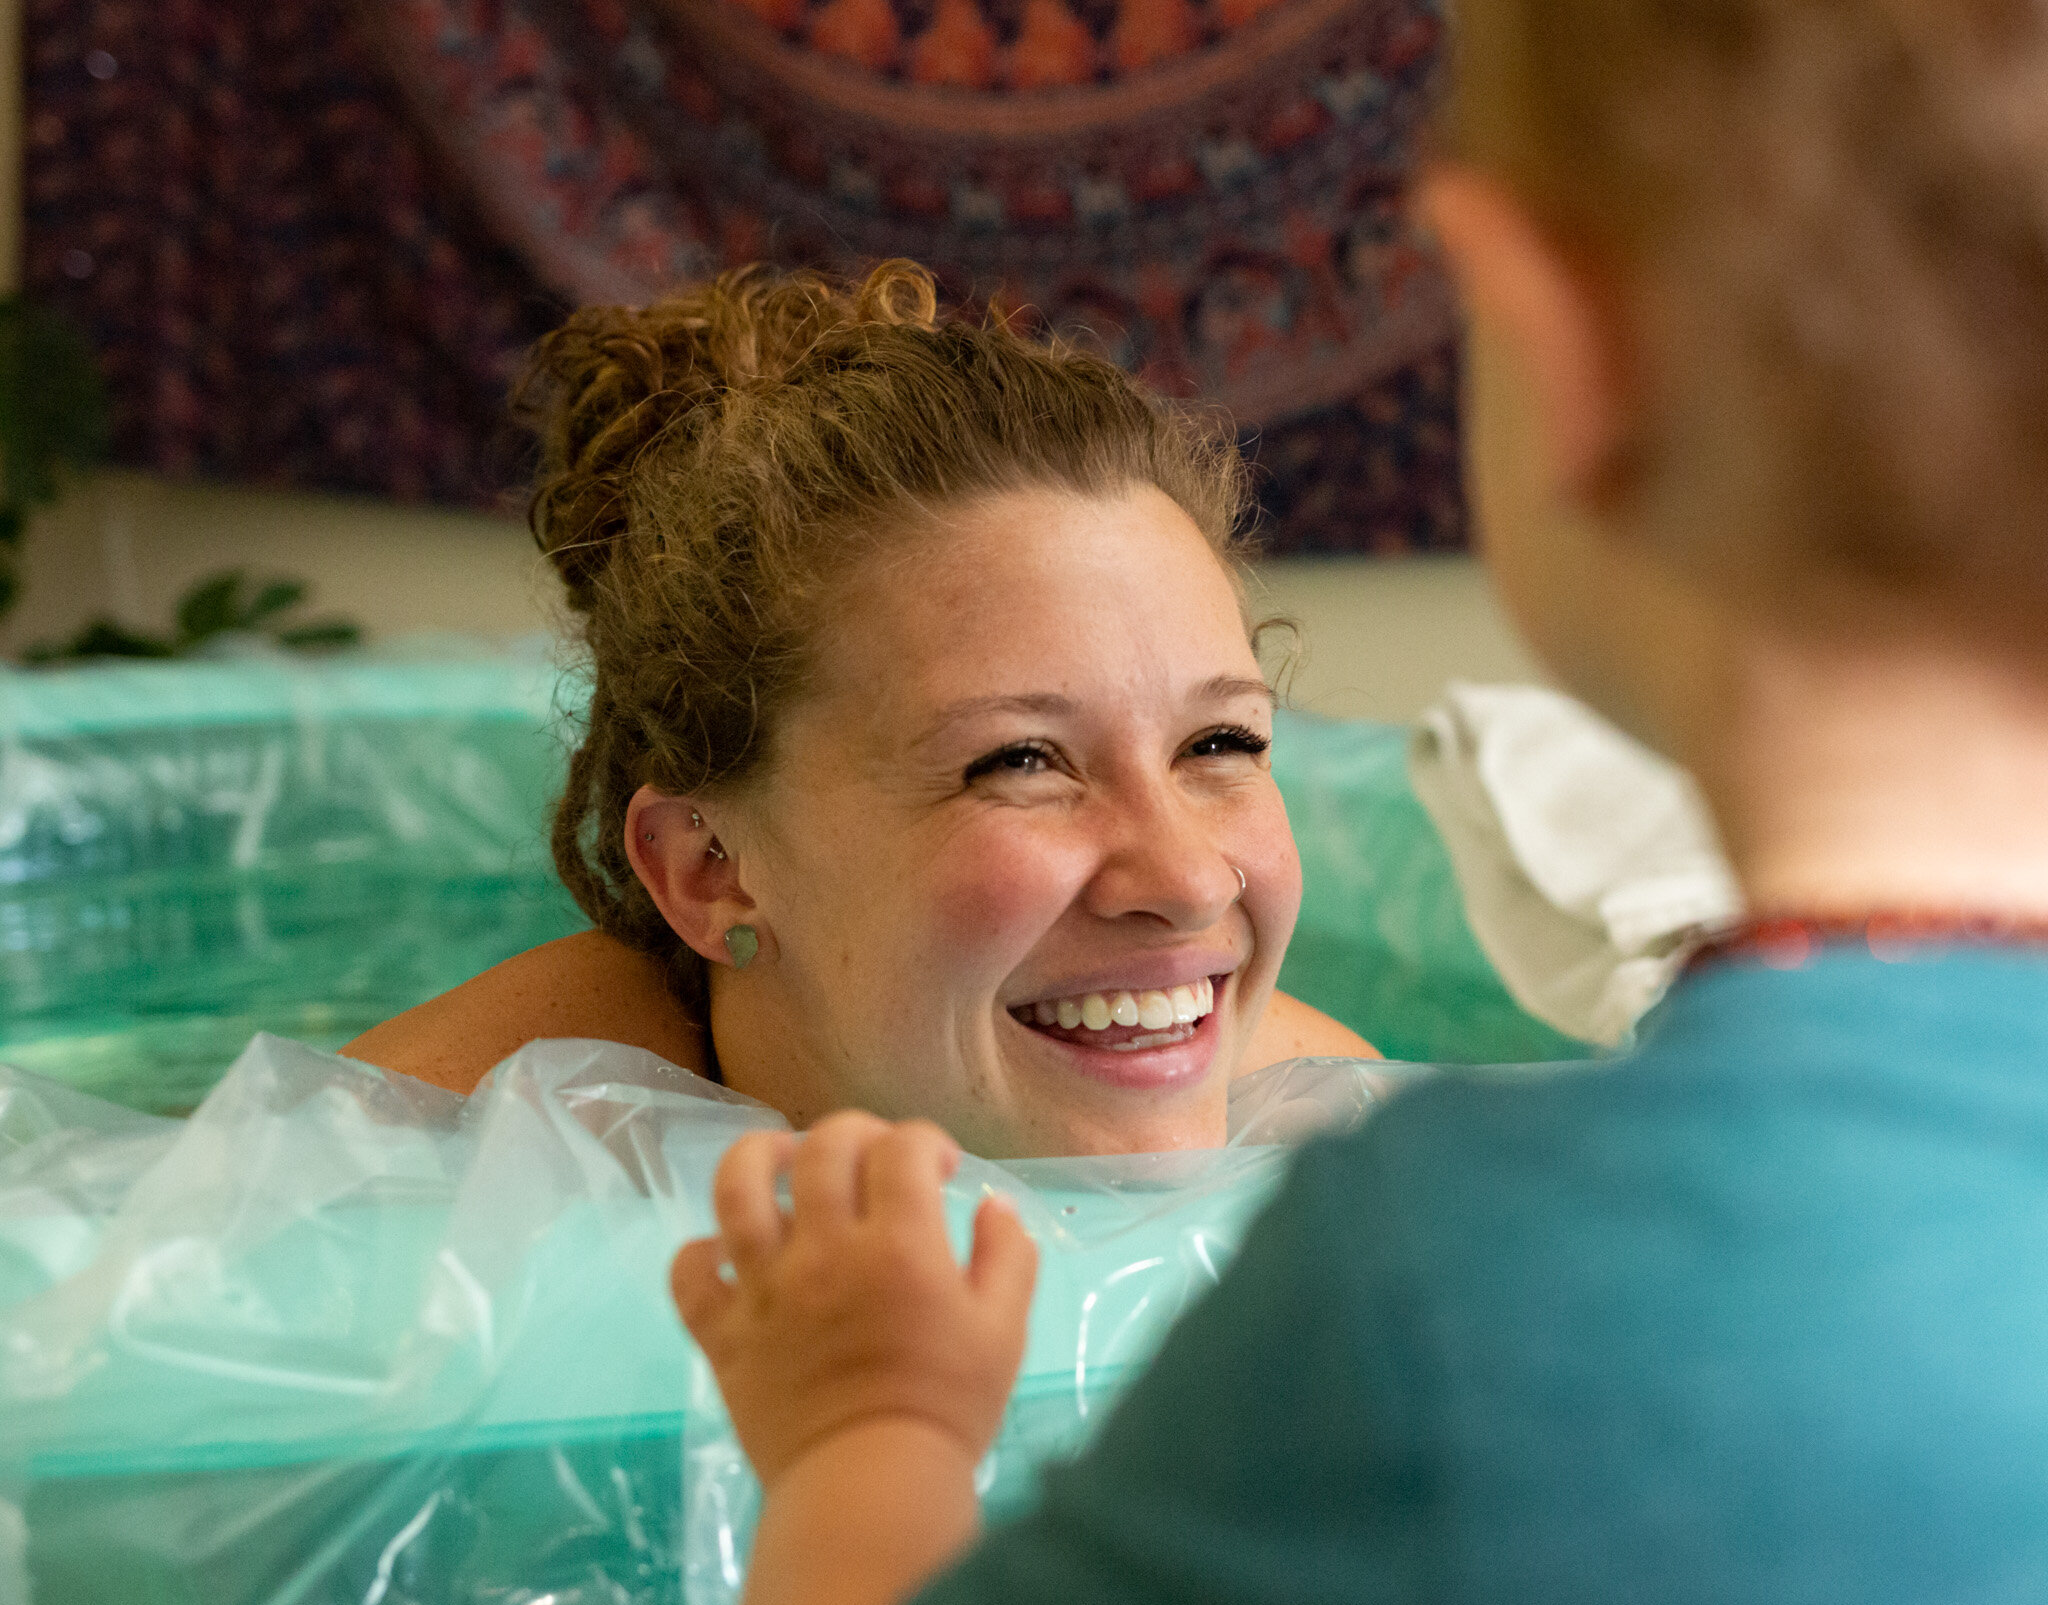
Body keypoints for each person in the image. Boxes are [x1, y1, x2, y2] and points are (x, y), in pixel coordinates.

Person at [674, 2, 2048, 1605]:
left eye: (1226, 738)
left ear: (1568, 339)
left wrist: (870, 1431)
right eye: (1018, 763)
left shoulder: (1463, 1293)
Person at [345, 261, 1371, 1156]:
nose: (1188, 882)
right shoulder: (408, 1173)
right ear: (710, 867)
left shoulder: (1346, 1139)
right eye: (1020, 760)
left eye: (1219, 741)